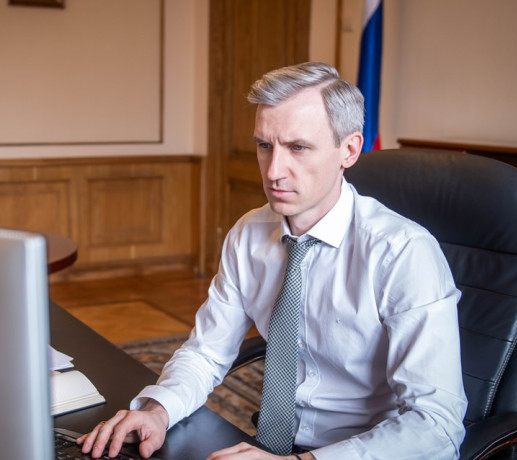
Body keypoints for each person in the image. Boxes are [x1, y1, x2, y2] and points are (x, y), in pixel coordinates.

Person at [77, 62, 467, 459]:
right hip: (270, 446)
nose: (274, 171)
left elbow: (436, 426)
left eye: (298, 148)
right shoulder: (248, 233)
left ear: (349, 150)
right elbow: (206, 352)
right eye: (265, 146)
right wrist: (158, 412)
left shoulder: (402, 253)